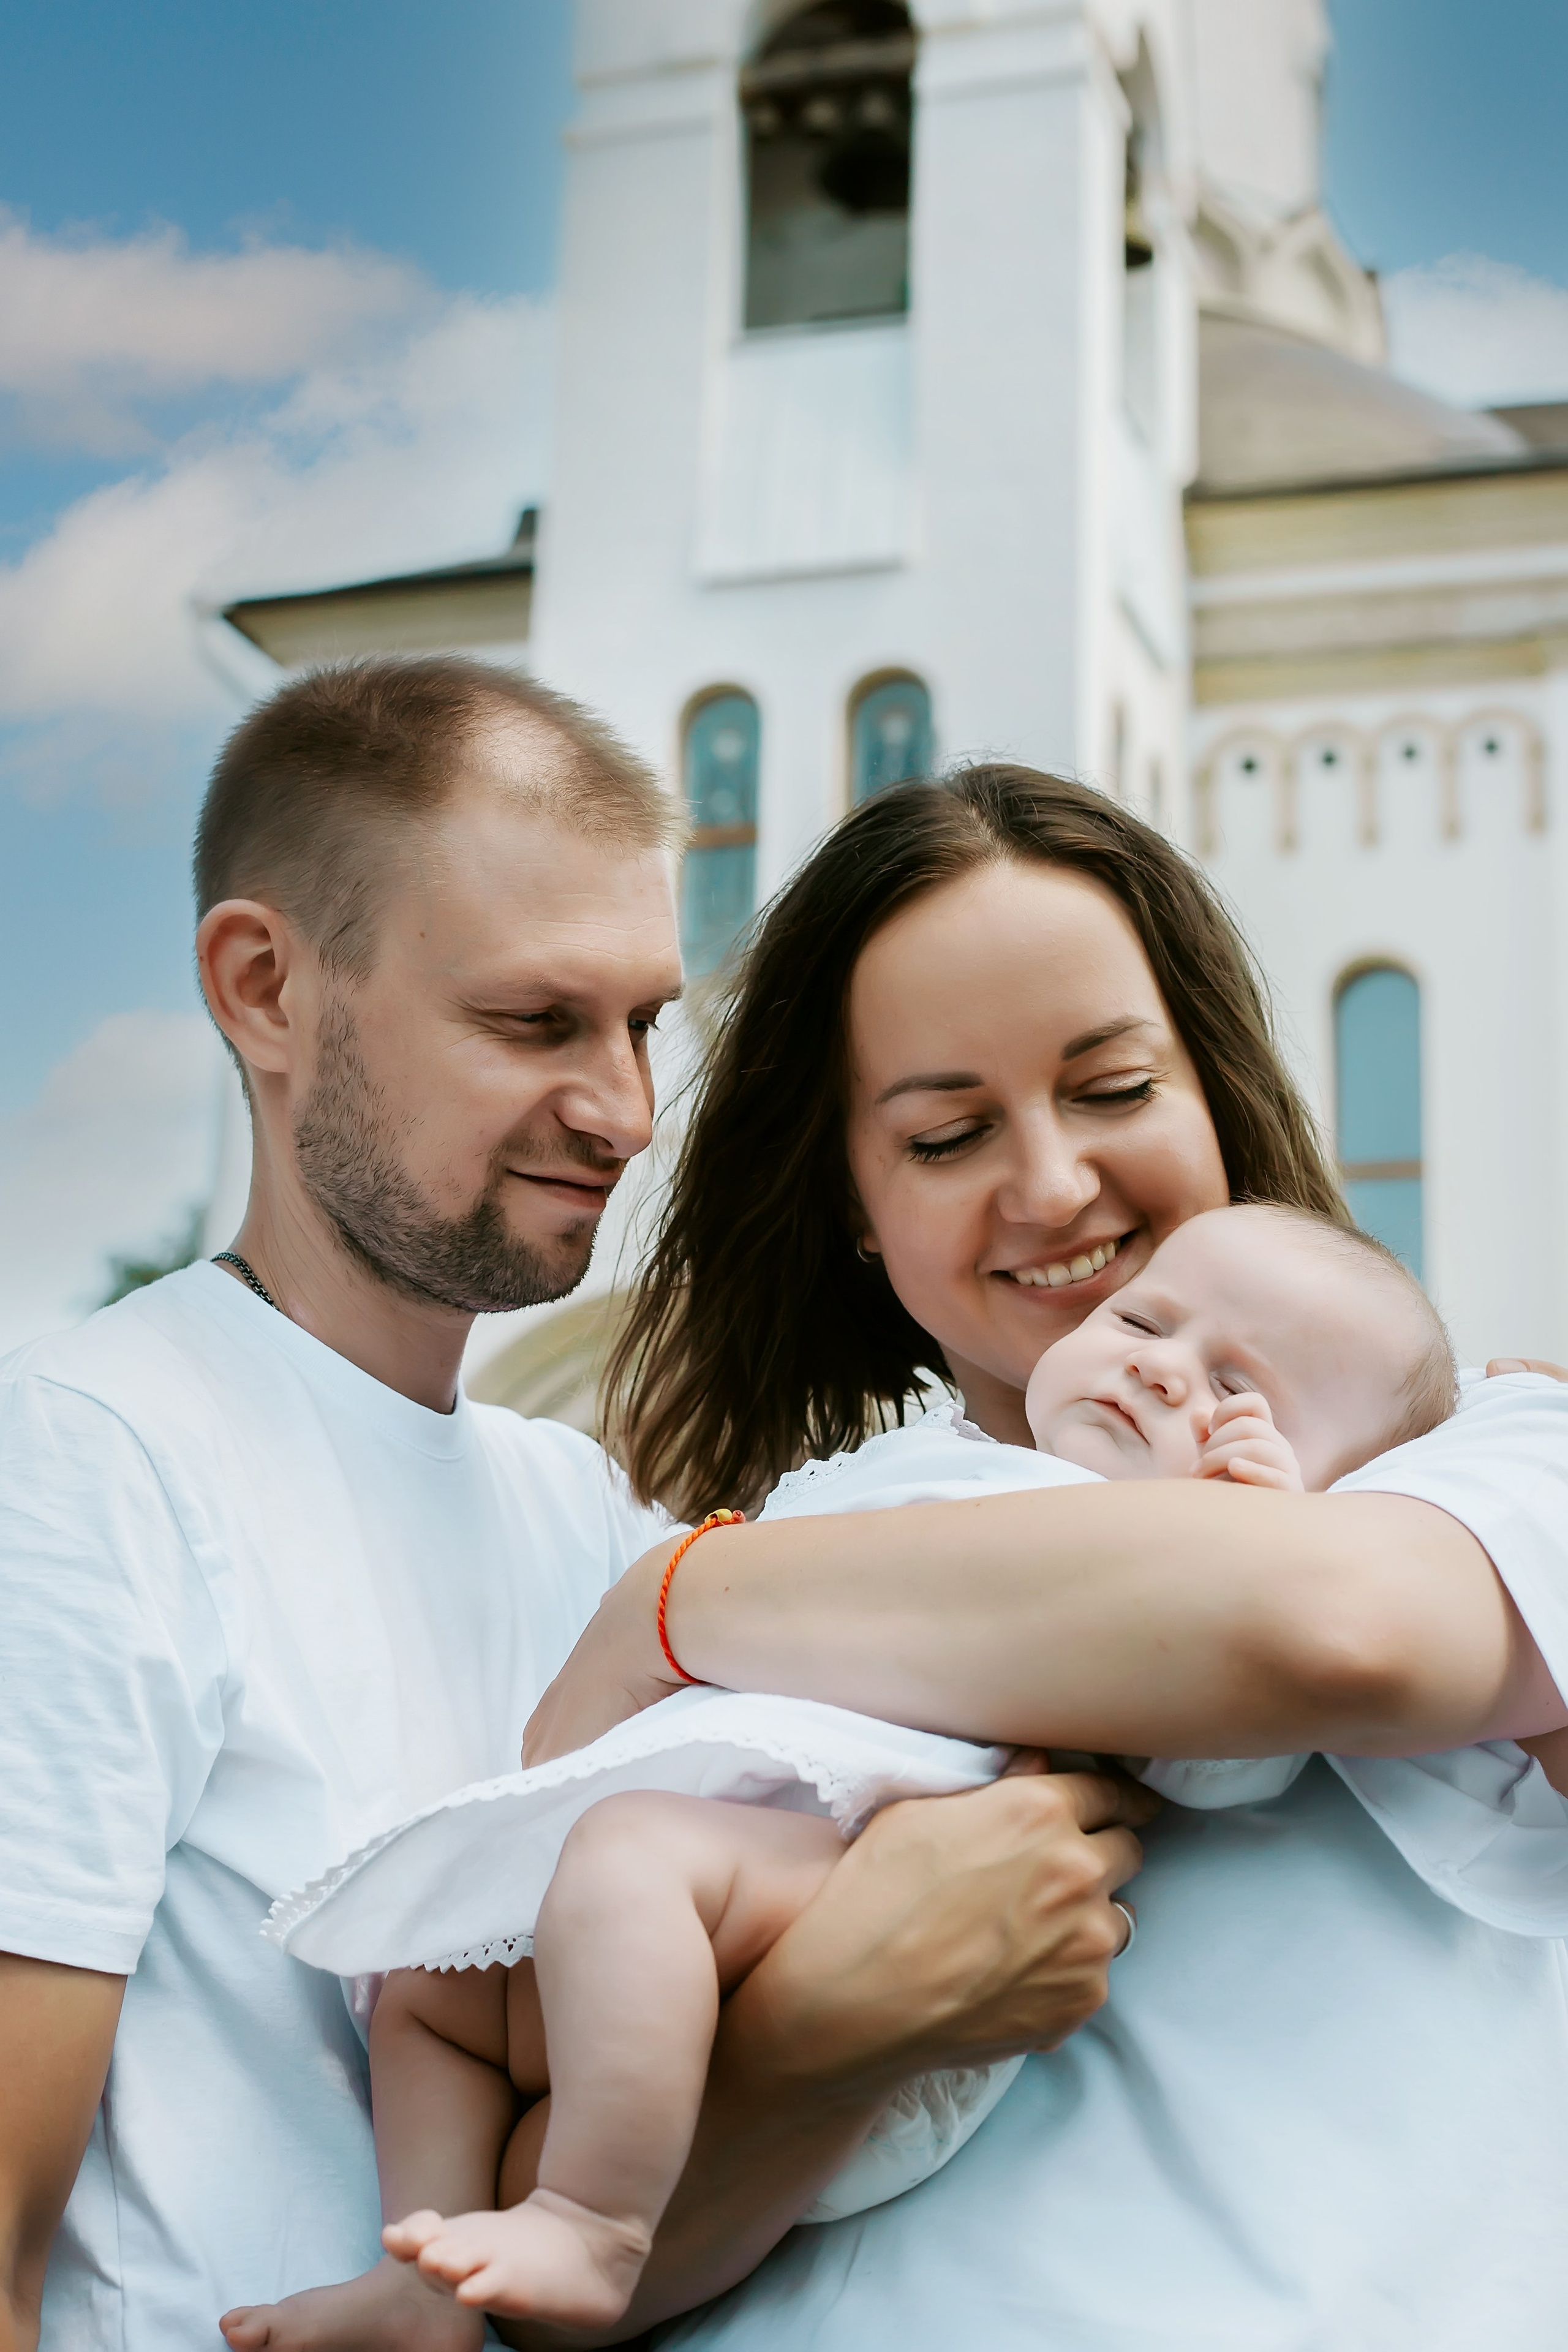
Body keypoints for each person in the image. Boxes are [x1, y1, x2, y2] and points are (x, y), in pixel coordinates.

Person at [0, 680, 1153, 2352]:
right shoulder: (86, 1464)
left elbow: (631, 2222)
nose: (624, 1111)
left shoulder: (590, 1517)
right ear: (266, 989)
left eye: (641, 1026)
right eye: (535, 1023)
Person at [526, 767, 1568, 2350]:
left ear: (1211, 1090)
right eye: (947, 1134)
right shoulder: (810, 1525)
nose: (1052, 1187)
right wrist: (821, 2033)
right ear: (855, 1201)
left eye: (1113, 1087)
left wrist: (672, 1609)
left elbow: (1334, 1630)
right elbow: (554, 2235)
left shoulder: (1487, 1445)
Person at [238, 1199, 1460, 2342]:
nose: (1161, 1368)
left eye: (1238, 1393)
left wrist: (1260, 1532)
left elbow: (1226, 1760)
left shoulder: (1187, 1565)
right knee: (422, 1986)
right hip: (669, 1900)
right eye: (1141, 1320)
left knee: (628, 1860)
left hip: (842, 1876)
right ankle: (424, 2287)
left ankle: (591, 2223)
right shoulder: (946, 1458)